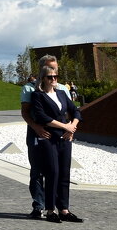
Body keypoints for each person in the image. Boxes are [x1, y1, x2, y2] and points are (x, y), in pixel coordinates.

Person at [29, 66, 83, 223]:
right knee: (52, 172)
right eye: (50, 77)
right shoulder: (38, 95)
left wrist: (73, 126)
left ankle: (64, 210)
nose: (54, 79)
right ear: (43, 79)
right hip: (49, 139)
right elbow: (41, 117)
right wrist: (65, 126)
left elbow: (76, 111)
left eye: (55, 76)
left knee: (65, 173)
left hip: (65, 139)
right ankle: (50, 210)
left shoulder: (61, 93)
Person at [21, 54, 68, 218]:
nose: (53, 71)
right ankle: (38, 206)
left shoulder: (62, 88)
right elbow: (26, 113)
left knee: (57, 171)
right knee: (37, 171)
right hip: (36, 134)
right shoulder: (29, 88)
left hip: (57, 136)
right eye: (50, 67)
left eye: (55, 68)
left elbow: (68, 112)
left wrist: (69, 129)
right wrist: (36, 127)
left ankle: (57, 207)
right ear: (42, 69)